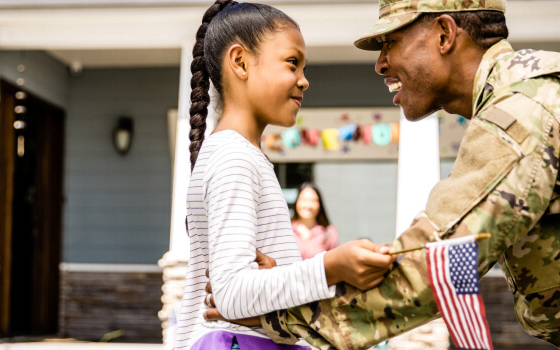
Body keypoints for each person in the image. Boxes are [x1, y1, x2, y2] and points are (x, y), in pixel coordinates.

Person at [202, 0, 560, 348]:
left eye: (391, 42)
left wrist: (279, 314)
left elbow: (435, 262)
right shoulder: (518, 96)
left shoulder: (523, 108)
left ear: (444, 34)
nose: (380, 64)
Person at [174, 1, 396, 349]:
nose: (304, 81)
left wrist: (279, 277)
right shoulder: (234, 157)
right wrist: (331, 267)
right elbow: (230, 295)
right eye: (293, 63)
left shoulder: (243, 155)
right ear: (241, 62)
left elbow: (244, 290)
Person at [291, 183, 339, 259]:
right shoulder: (286, 230)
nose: (308, 205)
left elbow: (335, 262)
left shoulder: (329, 232)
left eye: (313, 201)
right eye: (303, 200)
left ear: (320, 204)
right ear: (296, 202)